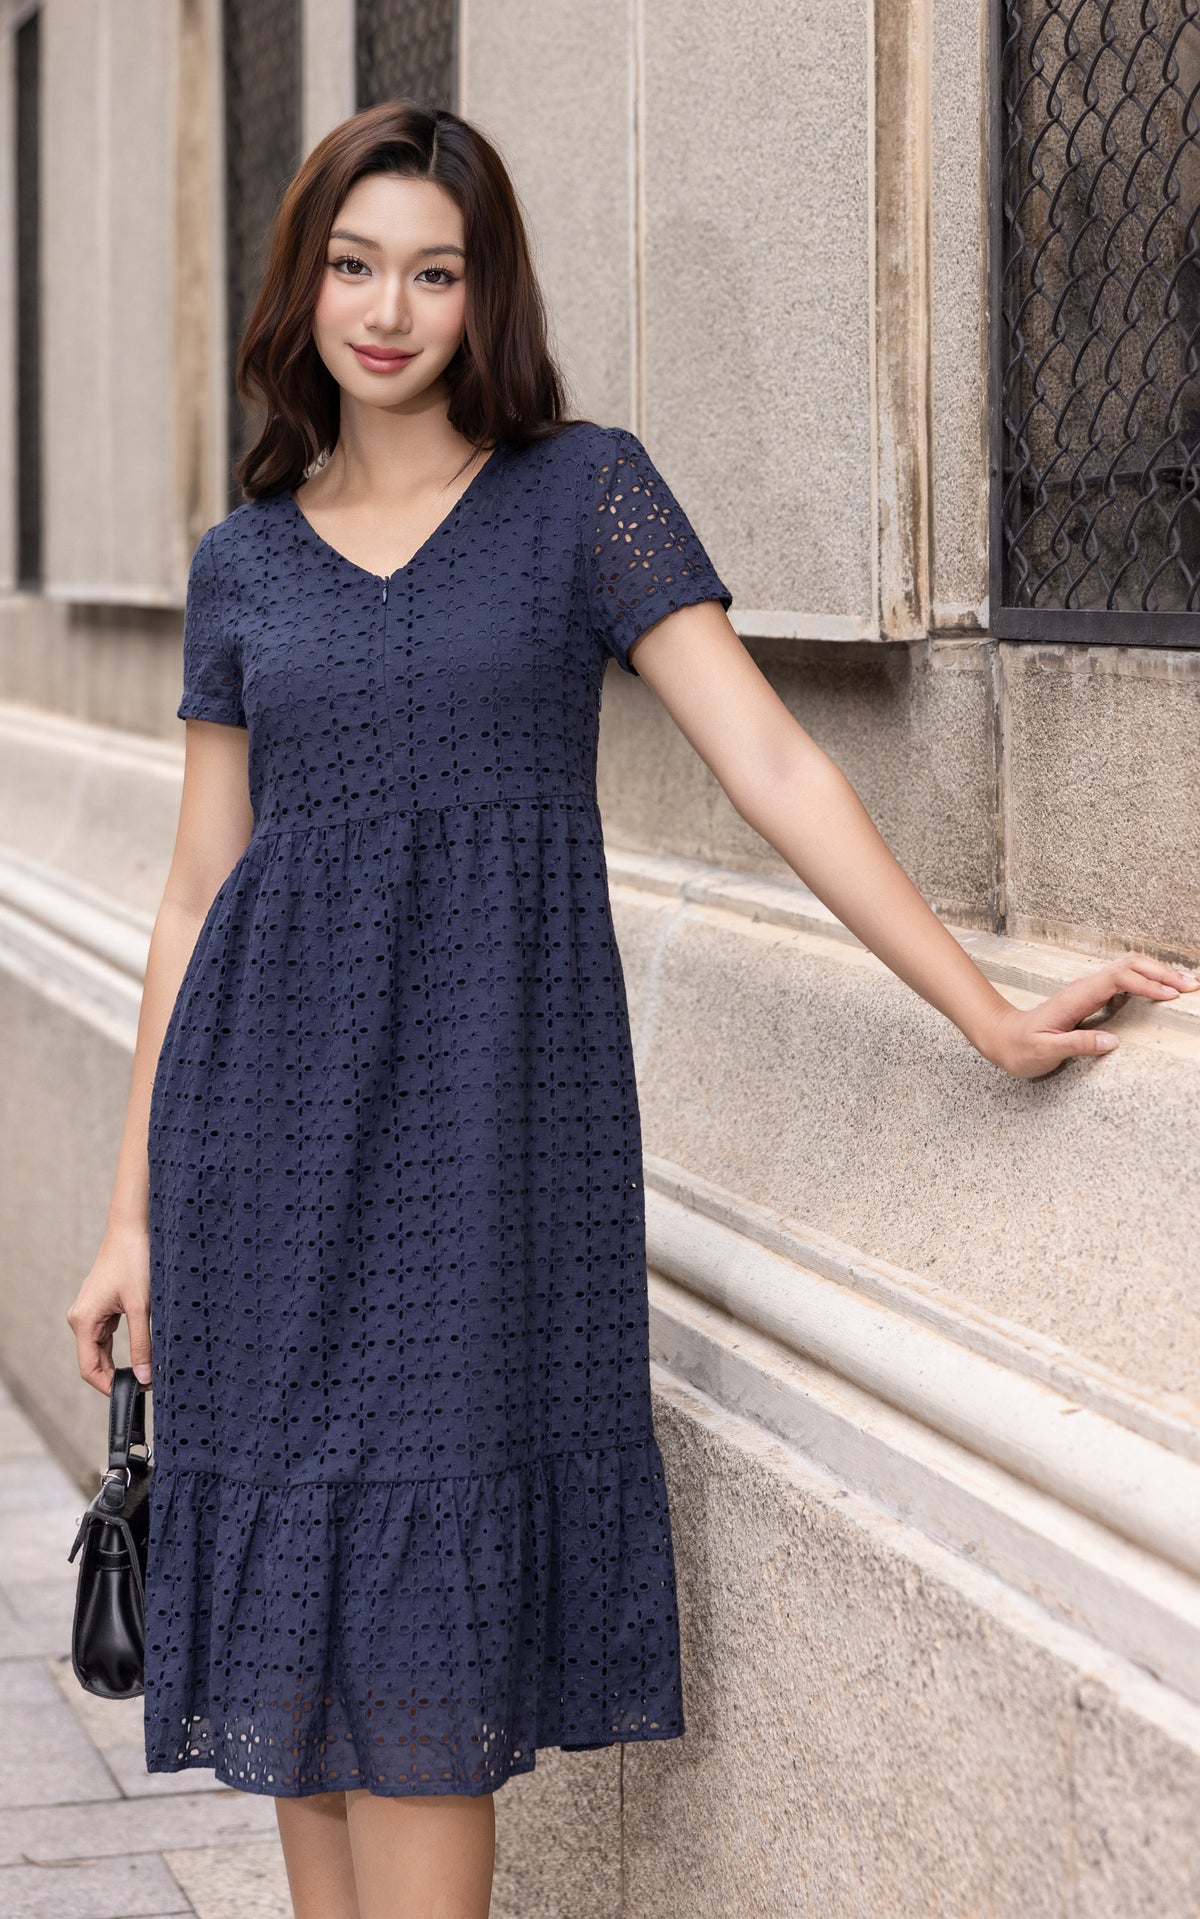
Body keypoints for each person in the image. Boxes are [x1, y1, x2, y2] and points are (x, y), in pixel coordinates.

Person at [65, 98, 1198, 1919]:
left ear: (482, 295)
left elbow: (770, 760)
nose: (389, 308)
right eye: (356, 266)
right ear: (306, 286)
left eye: (434, 272)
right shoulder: (245, 561)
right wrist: (130, 1218)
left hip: (478, 1148)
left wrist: (980, 1010)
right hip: (259, 1157)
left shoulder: (580, 492)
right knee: (307, 1653)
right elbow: (199, 894)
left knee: (424, 1671)